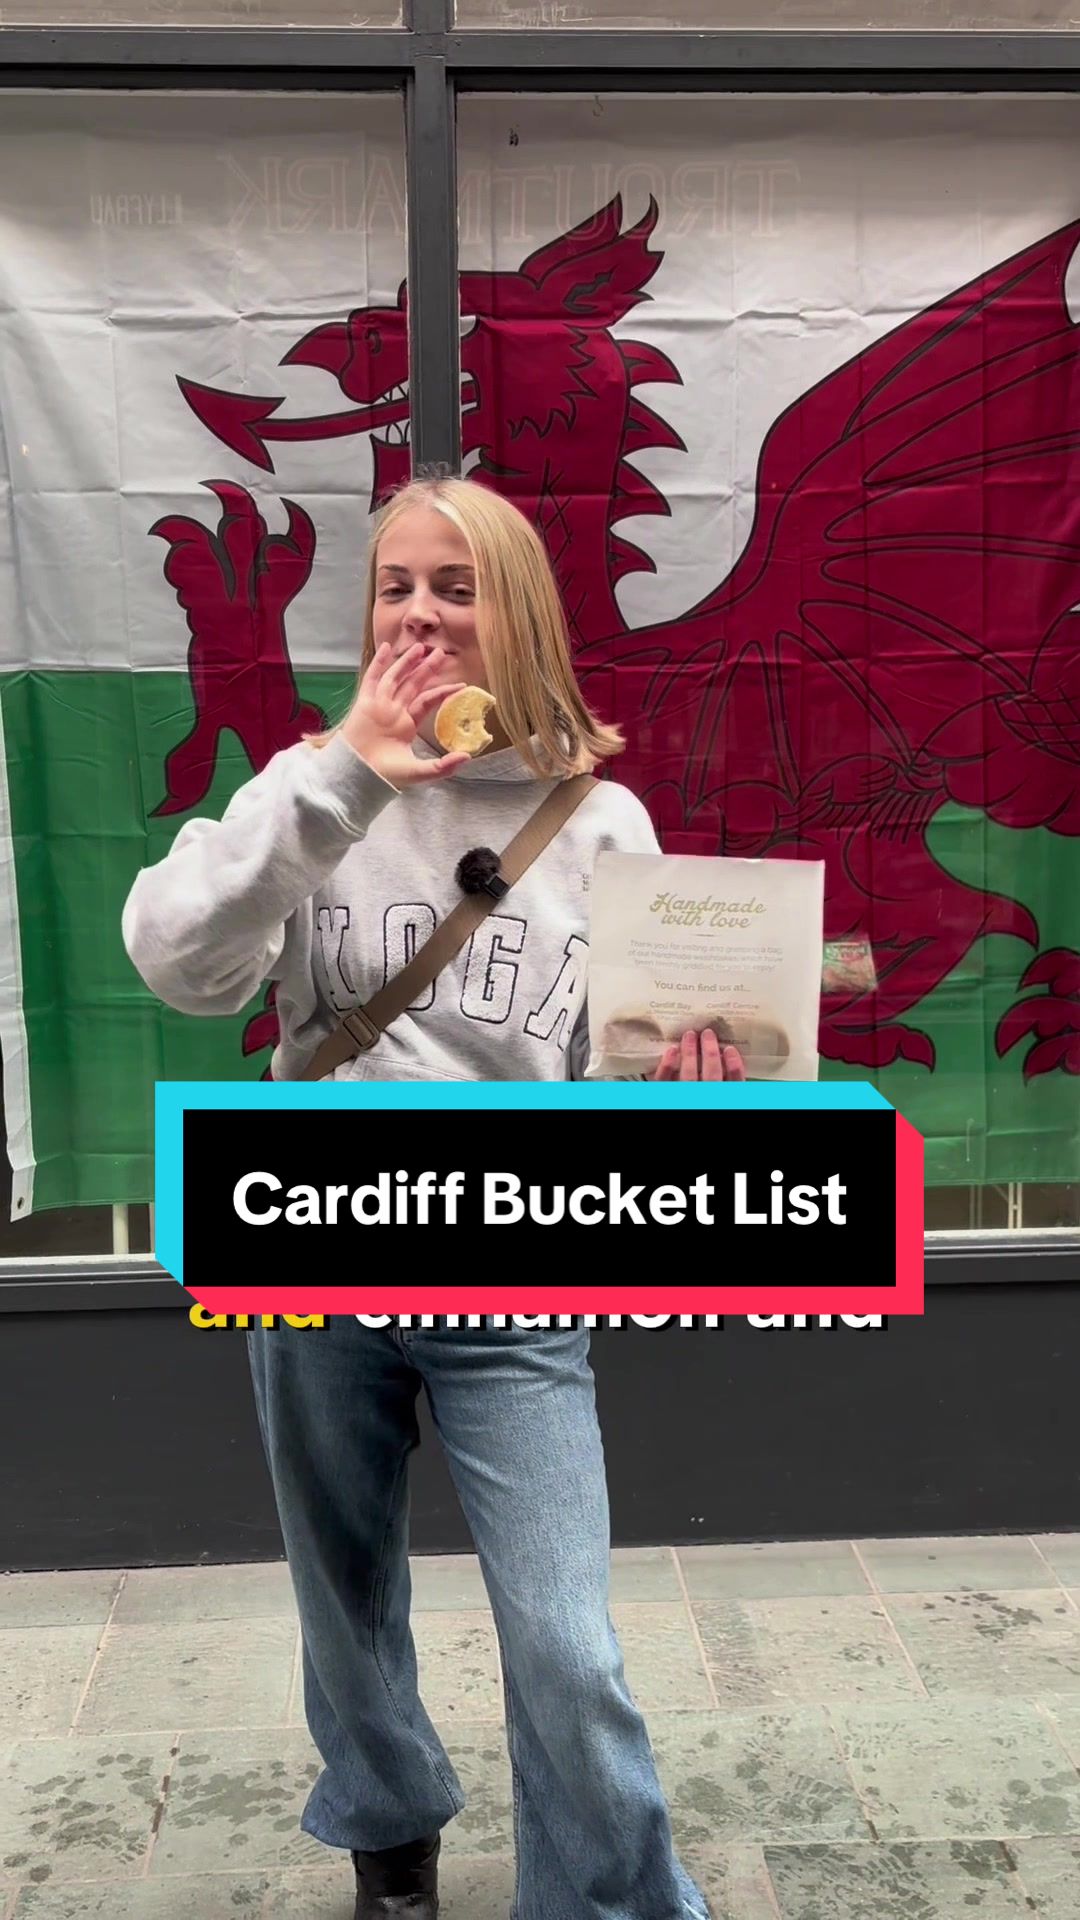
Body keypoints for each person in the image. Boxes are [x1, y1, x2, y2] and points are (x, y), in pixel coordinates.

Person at [123, 475, 743, 1920]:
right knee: (341, 1591)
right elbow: (176, 960)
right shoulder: (309, 784)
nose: (419, 614)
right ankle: (387, 1827)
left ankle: (605, 1899)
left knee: (565, 1637)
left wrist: (672, 1085)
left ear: (514, 611)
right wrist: (347, 772)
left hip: (512, 1274)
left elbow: (614, 1093)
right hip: (315, 1252)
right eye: (396, 587)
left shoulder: (602, 823)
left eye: (455, 588)